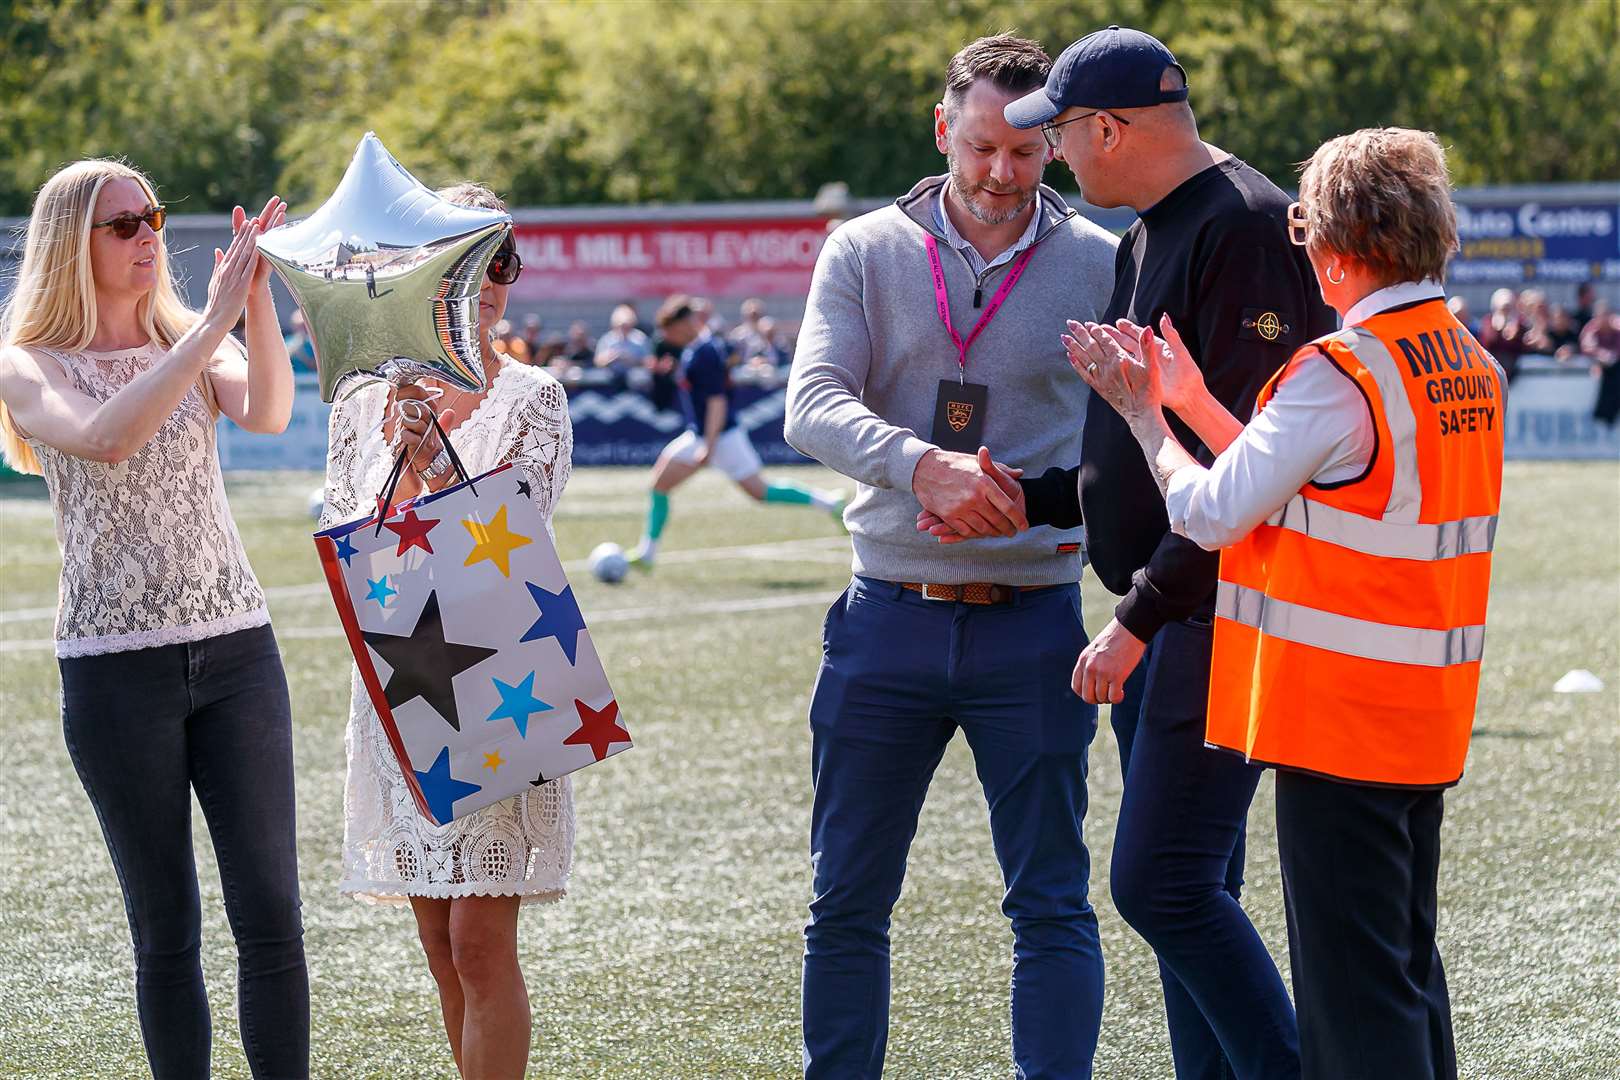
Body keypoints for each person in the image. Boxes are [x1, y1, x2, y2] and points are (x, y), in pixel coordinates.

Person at [1068, 126, 1503, 1080]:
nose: (1301, 248)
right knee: (1403, 968)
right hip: (1422, 711)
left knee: (1354, 1000)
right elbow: (1316, 485)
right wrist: (1196, 404)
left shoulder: (1342, 369)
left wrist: (1145, 413)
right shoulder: (1469, 361)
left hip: (1338, 715)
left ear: (1341, 245)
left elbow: (1213, 511)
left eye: (1307, 227)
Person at [997, 25, 1337, 1079]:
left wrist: (1141, 616)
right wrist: (1034, 496)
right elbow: (1144, 439)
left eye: (1054, 135)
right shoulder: (1150, 230)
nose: (1053, 157)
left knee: (1166, 887)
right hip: (1173, 609)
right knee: (1193, 893)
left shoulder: (1243, 226)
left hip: (1210, 610)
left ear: (1108, 127)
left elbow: (1249, 471)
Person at [785, 34, 1119, 1078]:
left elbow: (1137, 442)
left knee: (1053, 903)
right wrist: (921, 466)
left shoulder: (1104, 264)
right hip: (885, 613)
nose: (998, 175)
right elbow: (812, 403)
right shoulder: (863, 249)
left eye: (1024, 155)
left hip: (1036, 624)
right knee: (845, 900)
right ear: (944, 130)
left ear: (1055, 150)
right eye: (980, 147)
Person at [0, 161, 306, 1078]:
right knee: (166, 930)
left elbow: (268, 411)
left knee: (272, 918)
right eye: (123, 224)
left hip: (238, 650)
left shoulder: (193, 338)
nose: (147, 236)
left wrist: (250, 303)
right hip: (113, 668)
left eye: (153, 217)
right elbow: (108, 437)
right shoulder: (27, 363)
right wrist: (211, 321)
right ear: (70, 246)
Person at [318, 182, 574, 1080]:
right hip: (401, 678)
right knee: (436, 937)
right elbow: (349, 532)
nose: (490, 282)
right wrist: (401, 459)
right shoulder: (360, 402)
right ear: (425, 276)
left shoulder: (535, 397)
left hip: (497, 673)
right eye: (470, 262)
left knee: (477, 939)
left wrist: (432, 466)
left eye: (502, 261)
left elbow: (520, 539)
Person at [627, 294, 844, 569]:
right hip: (702, 435)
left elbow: (717, 401)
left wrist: (710, 444)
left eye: (669, 329)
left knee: (760, 492)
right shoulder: (695, 349)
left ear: (682, 324)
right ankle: (647, 554)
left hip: (720, 436)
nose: (667, 337)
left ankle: (830, 503)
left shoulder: (705, 351)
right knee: (659, 484)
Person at [1582, 300, 1620, 425]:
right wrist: (1602, 356)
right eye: (1600, 315)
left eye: (1606, 315)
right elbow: (1588, 347)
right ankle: (1604, 413)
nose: (1603, 319)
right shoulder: (1591, 329)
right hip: (1599, 366)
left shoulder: (1617, 328)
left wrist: (1611, 357)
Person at [593, 303, 651, 372]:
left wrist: (633, 360)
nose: (624, 329)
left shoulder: (640, 338)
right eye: (621, 326)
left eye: (627, 326)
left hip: (634, 379)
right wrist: (610, 358)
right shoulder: (606, 340)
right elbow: (597, 362)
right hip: (611, 377)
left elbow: (649, 362)